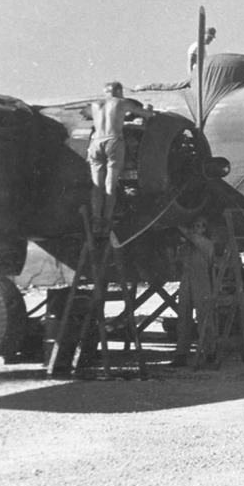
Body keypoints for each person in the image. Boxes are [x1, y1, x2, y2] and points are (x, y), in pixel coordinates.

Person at [88, 81, 156, 234]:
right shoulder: (122, 102)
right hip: (113, 142)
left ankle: (95, 220)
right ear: (119, 91)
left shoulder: (94, 104)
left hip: (96, 143)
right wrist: (148, 110)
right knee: (110, 183)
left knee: (96, 185)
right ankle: (107, 221)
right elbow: (147, 115)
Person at [170, 217, 215, 367]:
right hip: (186, 281)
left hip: (201, 282)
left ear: (204, 229)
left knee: (204, 318)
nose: (196, 229)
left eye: (199, 226)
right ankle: (181, 354)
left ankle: (209, 352)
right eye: (194, 226)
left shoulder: (207, 245)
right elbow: (177, 263)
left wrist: (176, 221)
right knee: (183, 318)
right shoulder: (187, 247)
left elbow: (192, 236)